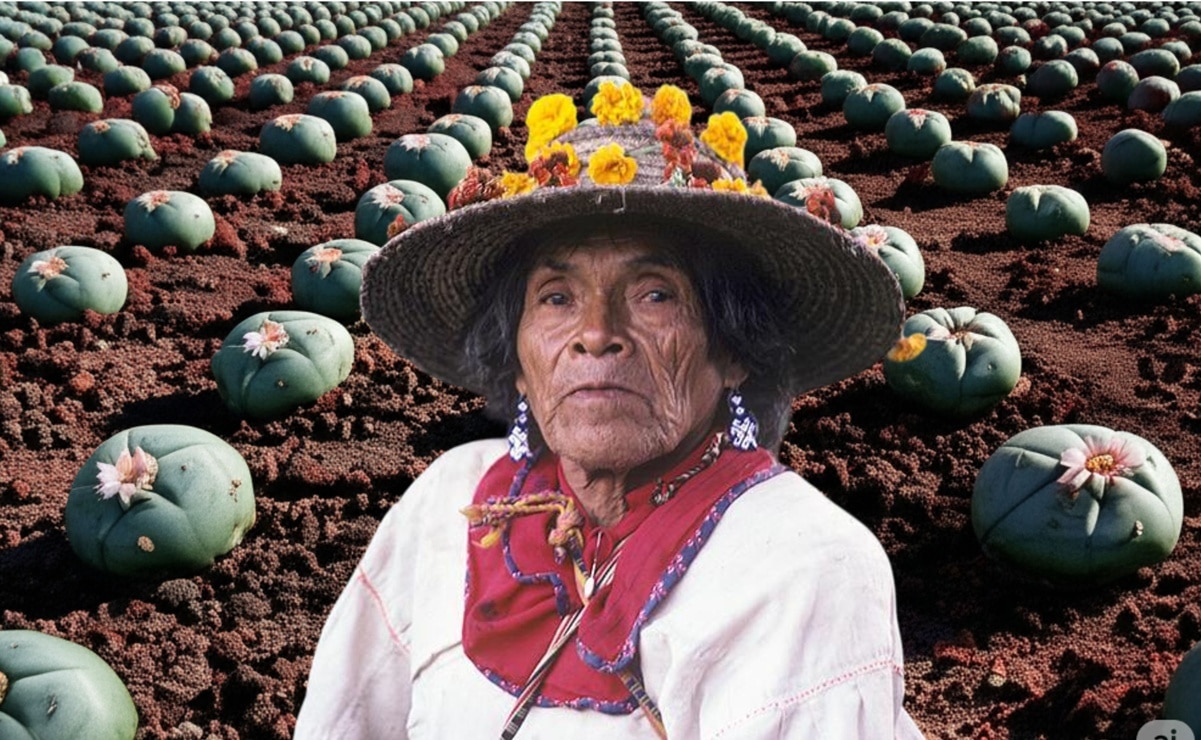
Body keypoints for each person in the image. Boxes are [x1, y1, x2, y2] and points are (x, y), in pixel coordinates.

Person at [294, 81, 925, 739]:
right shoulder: (449, 501)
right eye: (555, 297)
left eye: (654, 294)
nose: (595, 333)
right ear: (514, 355)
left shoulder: (801, 565)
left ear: (735, 348)